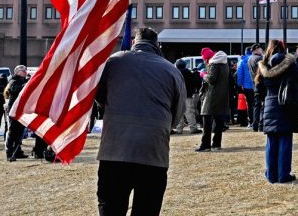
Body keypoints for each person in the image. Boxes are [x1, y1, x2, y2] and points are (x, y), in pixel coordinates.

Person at [95, 27, 185, 216]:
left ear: (135, 42)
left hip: (115, 148)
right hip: (153, 149)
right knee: (147, 208)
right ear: (157, 45)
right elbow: (177, 113)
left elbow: (100, 97)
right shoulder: (171, 70)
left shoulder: (114, 62)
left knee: (110, 205)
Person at [258, 39, 298, 183]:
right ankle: (283, 174)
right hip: (286, 103)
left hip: (269, 104)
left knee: (271, 142)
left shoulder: (263, 65)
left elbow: (258, 89)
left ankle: (271, 175)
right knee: (285, 140)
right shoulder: (290, 63)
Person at [196, 47, 230, 152]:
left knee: (207, 120)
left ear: (207, 58)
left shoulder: (213, 64)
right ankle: (216, 144)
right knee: (219, 121)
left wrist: (203, 75)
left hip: (211, 95)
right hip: (222, 95)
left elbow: (211, 79)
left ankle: (205, 145)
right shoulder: (225, 64)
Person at [5, 65, 29, 161]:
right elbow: (16, 90)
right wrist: (27, 85)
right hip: (13, 110)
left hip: (21, 110)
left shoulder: (24, 81)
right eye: (22, 70)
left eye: (25, 70)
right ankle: (9, 152)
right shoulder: (13, 81)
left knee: (20, 132)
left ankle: (18, 151)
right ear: (17, 72)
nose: (25, 72)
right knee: (13, 132)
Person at [174, 59, 203, 134]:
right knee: (189, 112)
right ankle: (193, 128)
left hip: (177, 96)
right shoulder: (188, 72)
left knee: (178, 113)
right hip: (187, 95)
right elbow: (194, 83)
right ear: (184, 65)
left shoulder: (174, 72)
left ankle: (179, 129)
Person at [236, 47, 255, 127]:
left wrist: (240, 85)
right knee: (257, 104)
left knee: (250, 105)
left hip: (247, 86)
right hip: (256, 85)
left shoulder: (242, 61)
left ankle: (251, 121)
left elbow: (240, 75)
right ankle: (258, 120)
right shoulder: (256, 59)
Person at [248, 44, 265, 131]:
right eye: (261, 48)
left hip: (255, 84)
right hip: (261, 83)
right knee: (262, 105)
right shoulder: (259, 59)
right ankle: (261, 124)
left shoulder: (250, 58)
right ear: (257, 49)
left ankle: (255, 125)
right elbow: (262, 72)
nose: (262, 50)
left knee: (256, 105)